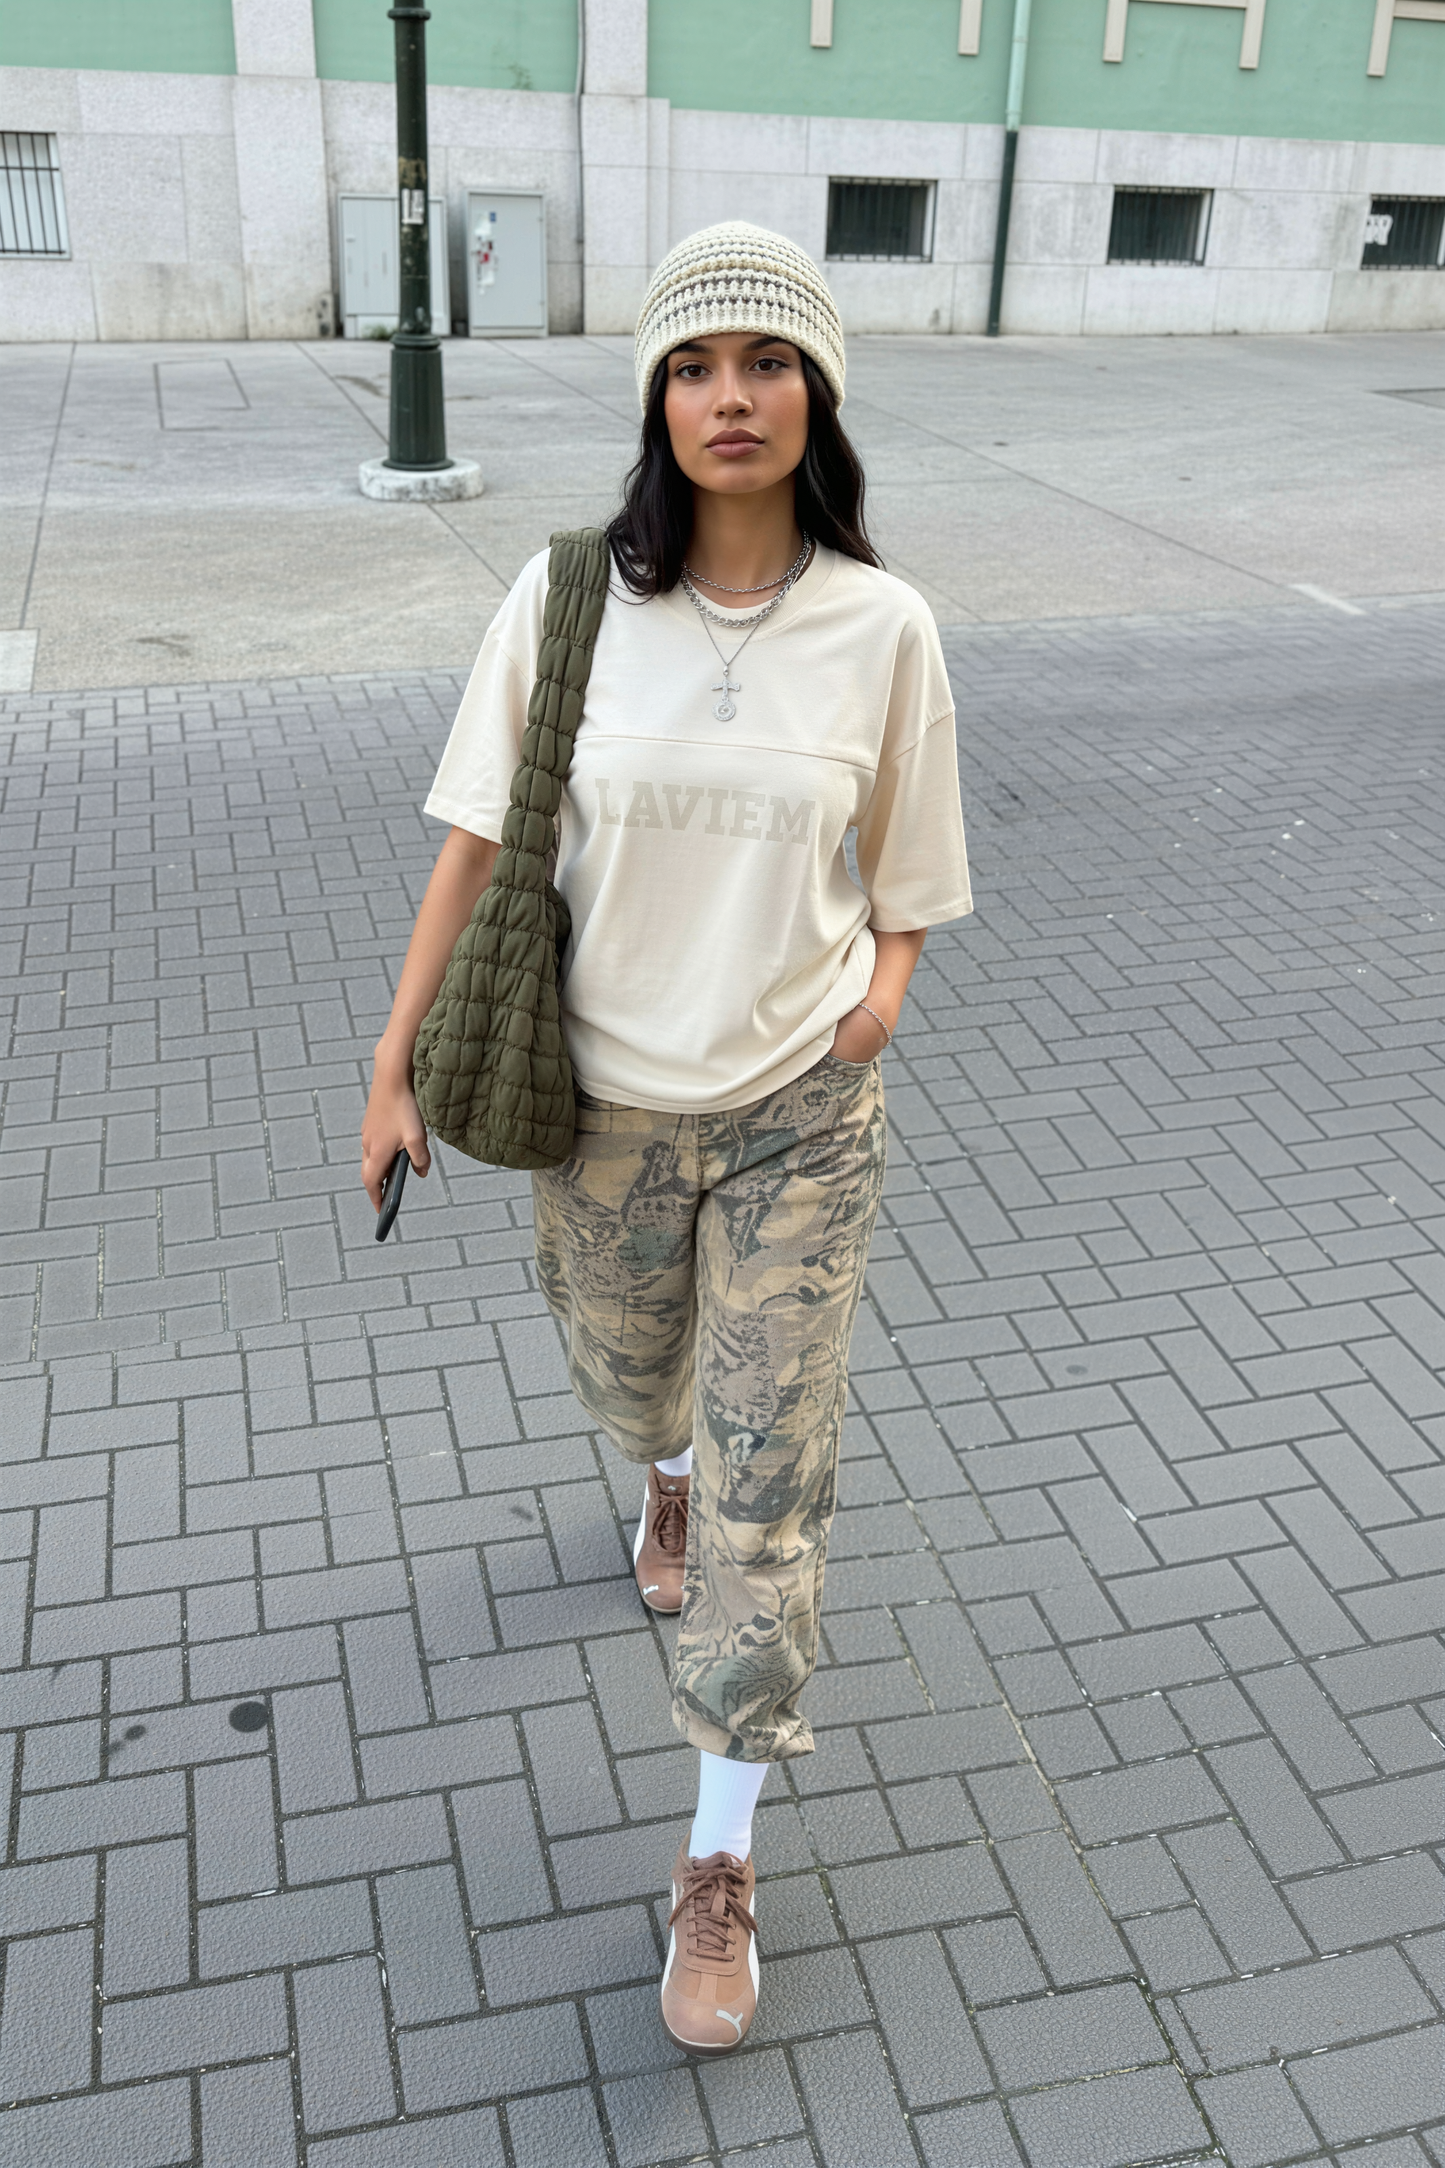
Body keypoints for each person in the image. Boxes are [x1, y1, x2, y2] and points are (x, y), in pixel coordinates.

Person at [361, 222, 971, 2057]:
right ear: (657, 401)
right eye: (696, 367)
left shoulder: (883, 627)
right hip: (601, 1113)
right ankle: (662, 1474)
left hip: (800, 1120)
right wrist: (391, 1065)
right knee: (638, 1385)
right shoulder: (566, 601)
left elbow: (913, 872)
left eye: (769, 363)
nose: (732, 396)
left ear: (818, 397)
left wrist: (875, 1008)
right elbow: (476, 839)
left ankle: (719, 1856)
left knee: (777, 1494)